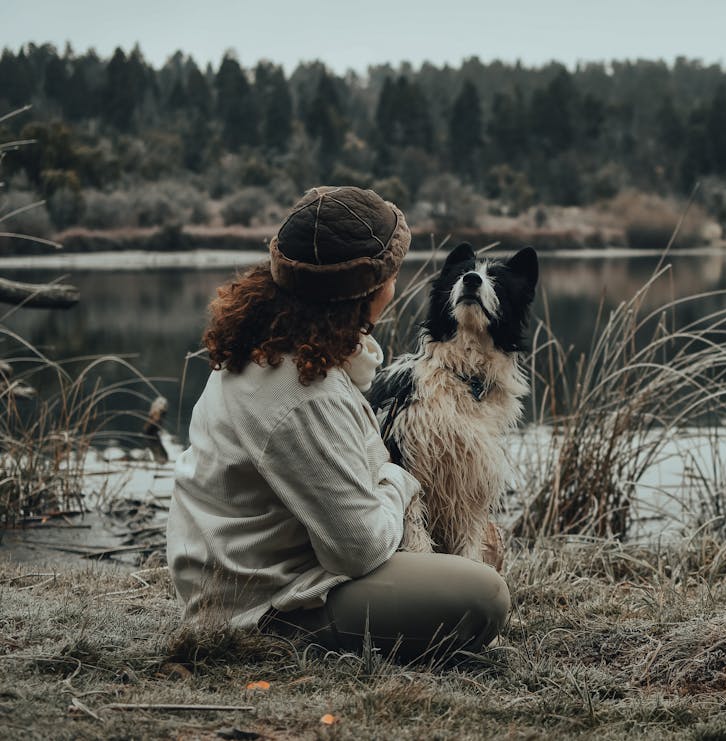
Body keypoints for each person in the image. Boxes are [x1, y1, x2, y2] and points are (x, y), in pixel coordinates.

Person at [167, 186, 510, 662]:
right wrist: (397, 478)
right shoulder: (304, 394)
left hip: (244, 577)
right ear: (369, 289)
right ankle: (289, 639)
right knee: (484, 597)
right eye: (392, 270)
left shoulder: (272, 347)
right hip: (265, 604)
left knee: (474, 561)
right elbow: (360, 549)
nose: (397, 281)